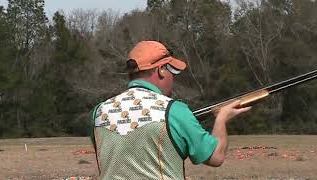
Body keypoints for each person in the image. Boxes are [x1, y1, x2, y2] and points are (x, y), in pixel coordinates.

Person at [91, 40, 251, 179]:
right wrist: (221, 118)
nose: (172, 77)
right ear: (161, 69)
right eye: (171, 70)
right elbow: (216, 156)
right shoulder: (174, 110)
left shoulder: (99, 112)